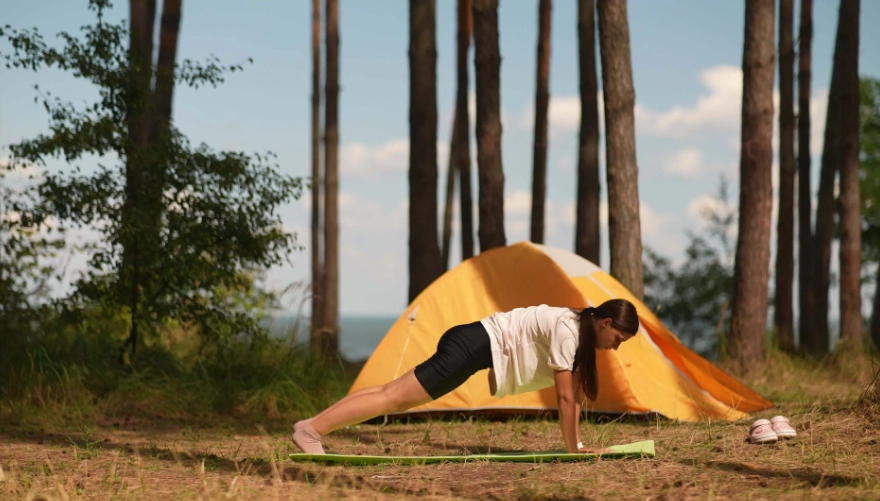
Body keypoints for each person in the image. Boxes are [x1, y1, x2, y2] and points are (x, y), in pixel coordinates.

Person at [292, 299, 640, 455]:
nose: (616, 347)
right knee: (394, 398)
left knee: (390, 390)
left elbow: (574, 395)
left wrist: (575, 445)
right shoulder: (569, 331)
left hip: (471, 340)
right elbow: (565, 398)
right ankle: (312, 431)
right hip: (471, 347)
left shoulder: (576, 324)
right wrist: (574, 448)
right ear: (606, 323)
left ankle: (312, 424)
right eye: (618, 340)